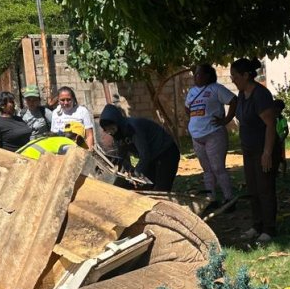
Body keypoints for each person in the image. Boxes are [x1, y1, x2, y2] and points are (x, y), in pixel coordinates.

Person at [230, 58, 279, 244]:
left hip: (263, 149)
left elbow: (270, 124)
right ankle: (257, 225)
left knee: (265, 188)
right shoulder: (242, 94)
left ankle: (269, 229)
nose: (233, 80)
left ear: (245, 75)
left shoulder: (261, 95)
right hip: (249, 149)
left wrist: (267, 153)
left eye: (235, 76)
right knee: (253, 188)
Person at [184, 63, 238, 211]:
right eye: (195, 74)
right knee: (207, 170)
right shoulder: (192, 92)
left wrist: (226, 120)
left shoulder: (216, 89)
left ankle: (229, 199)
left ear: (208, 76)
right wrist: (195, 123)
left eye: (199, 74)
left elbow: (233, 101)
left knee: (218, 168)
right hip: (197, 137)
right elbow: (187, 108)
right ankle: (211, 199)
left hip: (214, 134)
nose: (196, 77)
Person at [99, 104, 180, 192]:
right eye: (108, 130)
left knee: (161, 189)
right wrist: (127, 171)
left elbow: (144, 154)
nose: (111, 132)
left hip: (166, 152)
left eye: (112, 128)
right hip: (153, 156)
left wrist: (136, 173)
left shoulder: (133, 128)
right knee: (147, 186)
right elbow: (122, 156)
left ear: (117, 122)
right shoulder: (118, 134)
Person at [18, 120, 88, 159]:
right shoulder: (70, 144)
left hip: (17, 156)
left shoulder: (52, 138)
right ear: (77, 138)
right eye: (81, 143)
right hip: (27, 162)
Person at [274, 99, 290, 176]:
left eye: (280, 110)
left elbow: (286, 131)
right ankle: (276, 172)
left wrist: (282, 139)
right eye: (277, 109)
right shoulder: (270, 117)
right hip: (272, 140)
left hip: (279, 141)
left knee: (281, 158)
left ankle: (284, 172)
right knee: (274, 157)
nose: (279, 111)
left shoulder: (282, 119)